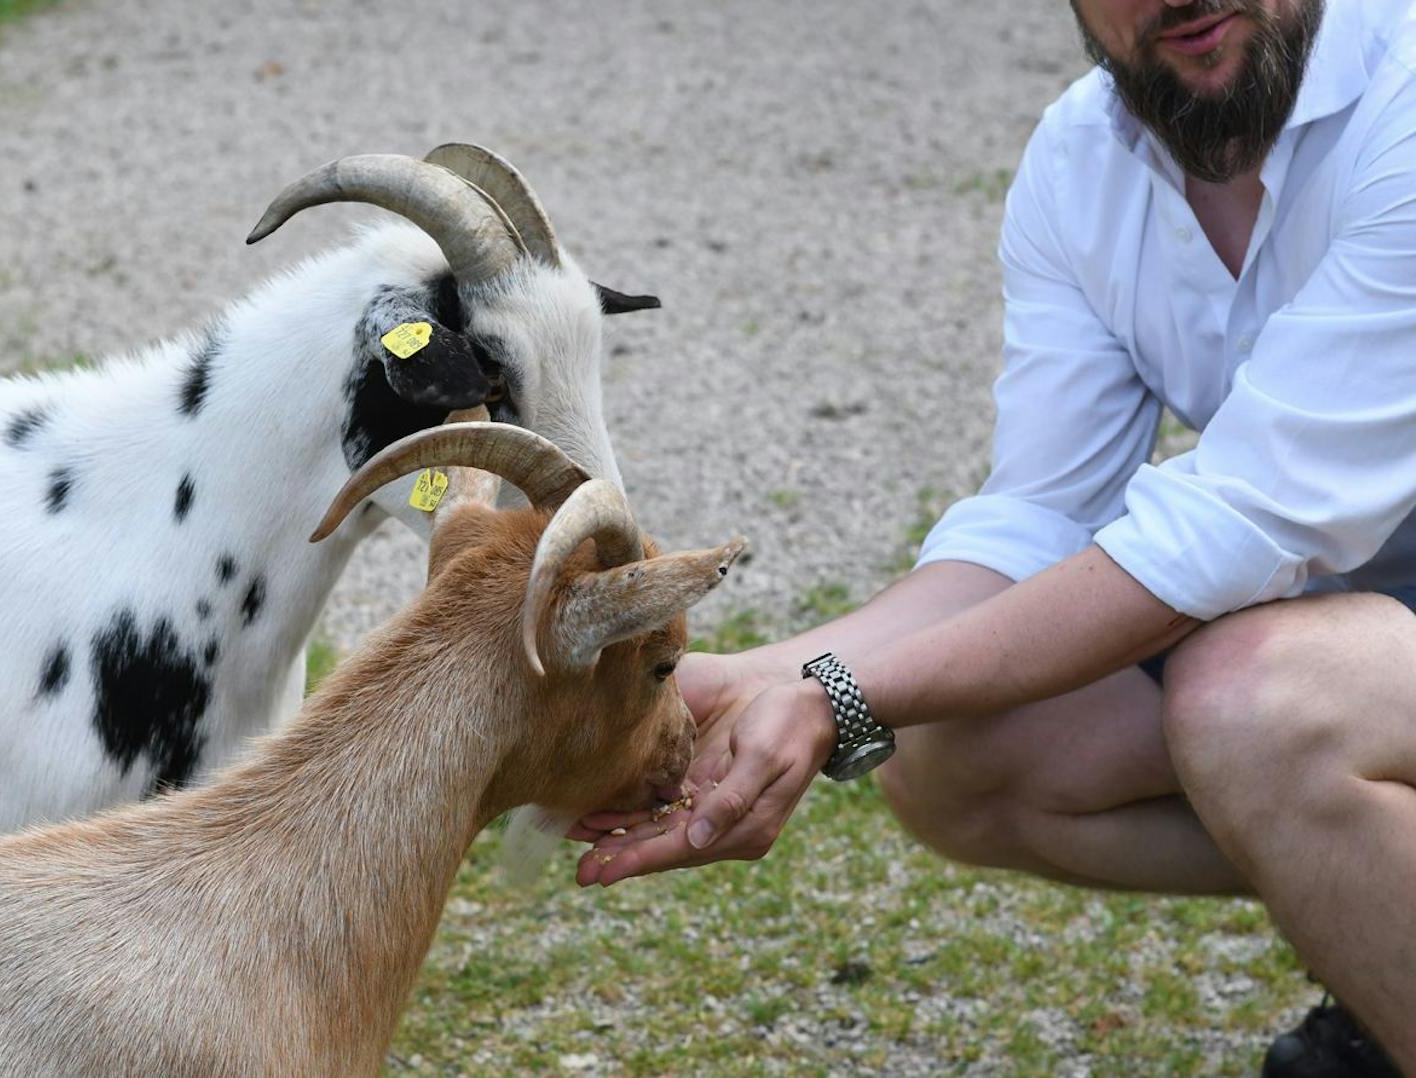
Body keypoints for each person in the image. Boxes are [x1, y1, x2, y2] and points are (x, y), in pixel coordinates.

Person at [571, 0, 1416, 1072]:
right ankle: (1373, 928)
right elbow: (1031, 523)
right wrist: (742, 678)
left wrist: (838, 692)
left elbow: (1235, 521)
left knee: (1255, 708)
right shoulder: (1081, 156)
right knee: (960, 751)